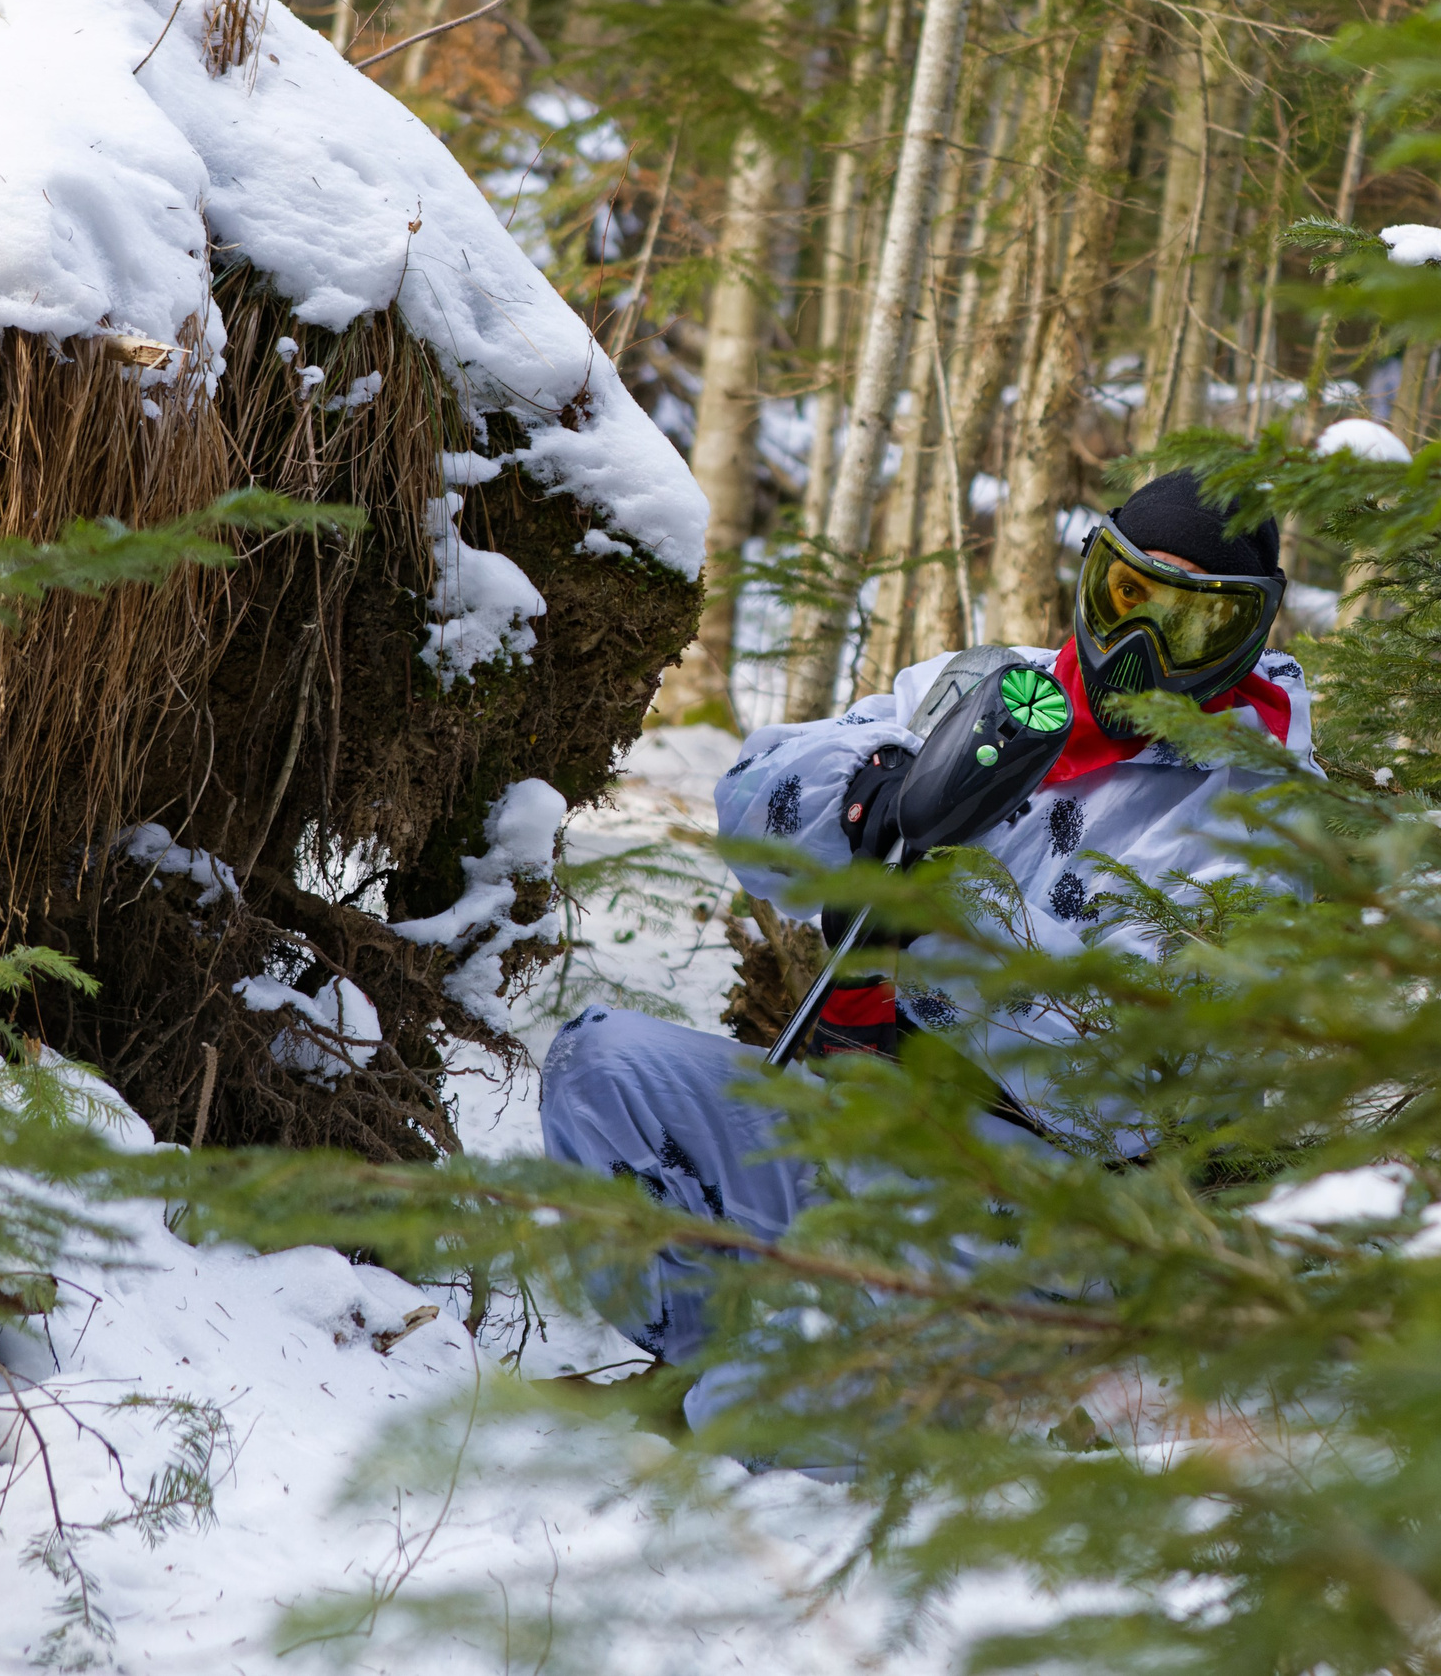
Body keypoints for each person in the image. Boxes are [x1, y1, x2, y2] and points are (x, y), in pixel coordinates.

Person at [539, 470, 1315, 1426]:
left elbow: (1133, 1090)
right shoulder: (981, 688)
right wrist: (871, 798)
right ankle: (702, 1355)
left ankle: (824, 1401)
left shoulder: (1264, 815)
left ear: (1247, 635)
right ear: (1093, 577)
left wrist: (949, 915)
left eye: (1194, 624)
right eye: (1130, 595)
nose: (1143, 646)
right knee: (601, 1070)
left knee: (762, 1422)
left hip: (1026, 1210)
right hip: (848, 1118)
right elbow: (748, 809)